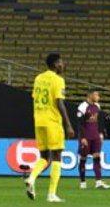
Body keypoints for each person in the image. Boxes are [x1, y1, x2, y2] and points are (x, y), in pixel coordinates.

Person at [25, 53, 75, 203]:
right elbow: (60, 103)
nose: (63, 65)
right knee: (57, 156)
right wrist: (68, 125)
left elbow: (35, 98)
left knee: (44, 156)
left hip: (39, 120)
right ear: (55, 64)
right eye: (61, 62)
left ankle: (31, 177)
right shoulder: (58, 80)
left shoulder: (38, 78)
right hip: (53, 121)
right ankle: (51, 194)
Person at [76, 89, 110, 190]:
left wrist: (100, 133)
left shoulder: (97, 106)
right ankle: (83, 182)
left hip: (95, 135)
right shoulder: (82, 107)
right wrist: (82, 137)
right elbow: (80, 123)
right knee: (83, 158)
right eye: (96, 95)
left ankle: (99, 182)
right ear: (90, 95)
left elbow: (99, 121)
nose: (98, 97)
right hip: (86, 136)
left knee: (97, 157)